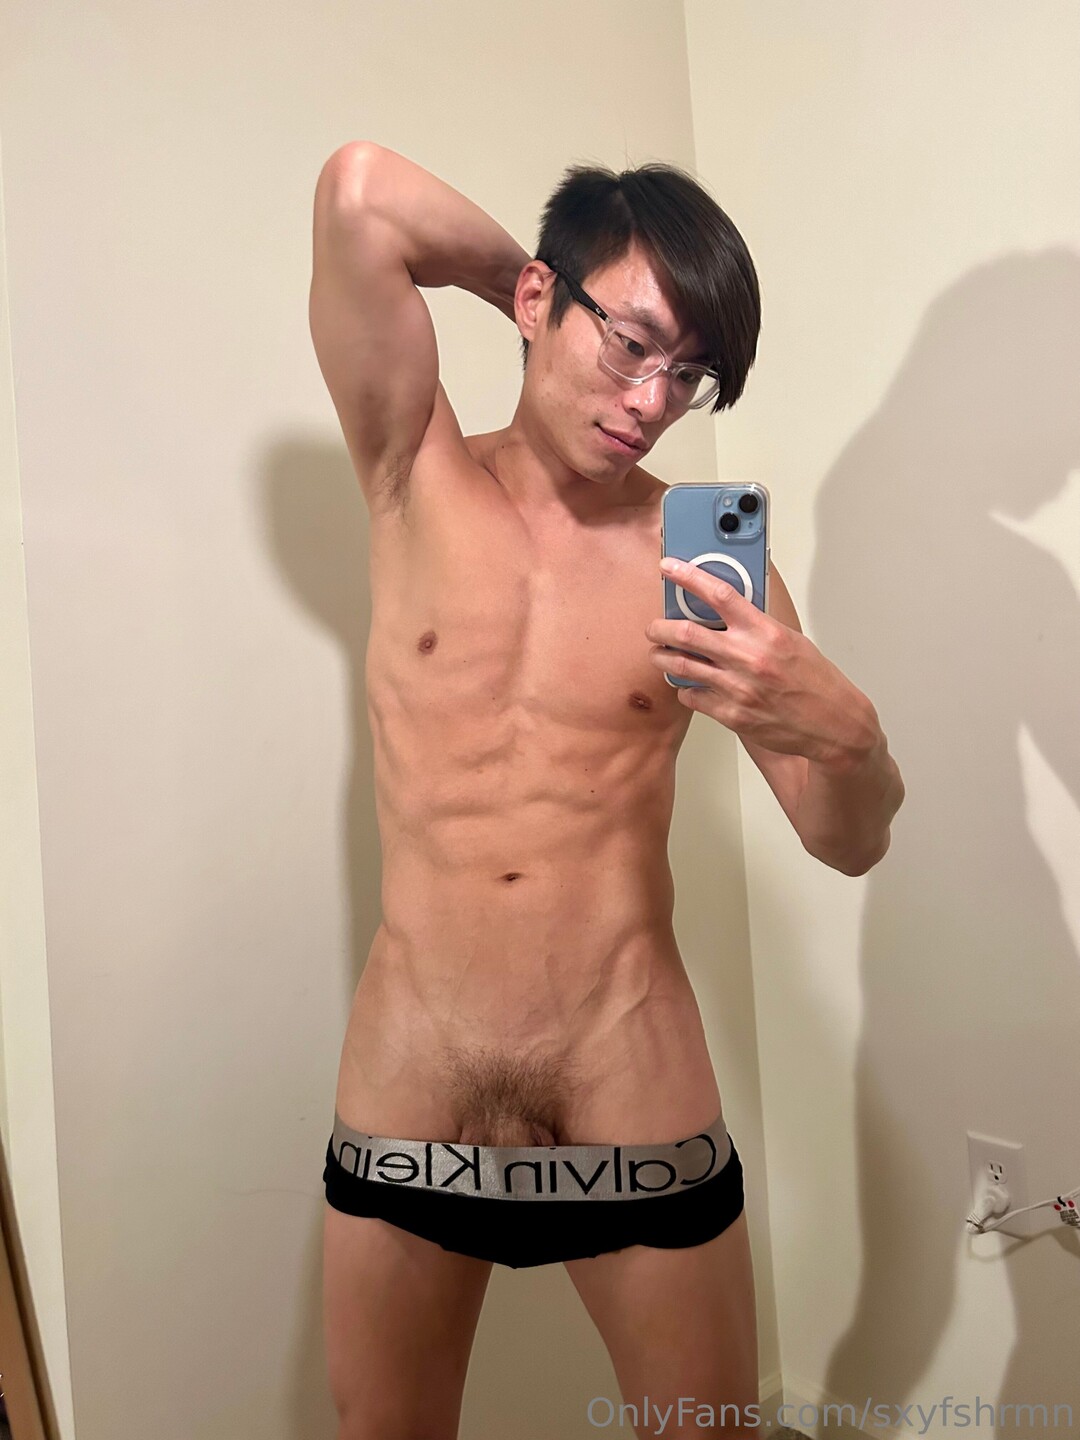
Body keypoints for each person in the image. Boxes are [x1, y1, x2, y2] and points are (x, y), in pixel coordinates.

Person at [309, 141, 904, 1440]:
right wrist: (530, 285)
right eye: (630, 345)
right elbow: (359, 192)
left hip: (625, 1067)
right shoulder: (413, 474)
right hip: (417, 1071)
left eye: (688, 375)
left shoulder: (701, 567)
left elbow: (844, 841)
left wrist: (851, 740)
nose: (652, 400)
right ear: (539, 298)